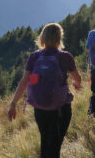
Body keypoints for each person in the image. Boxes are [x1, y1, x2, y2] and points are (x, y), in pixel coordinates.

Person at [7, 23, 82, 158]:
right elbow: (77, 78)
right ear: (59, 38)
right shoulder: (65, 56)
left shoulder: (34, 56)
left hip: (40, 108)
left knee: (45, 141)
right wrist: (76, 84)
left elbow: (24, 82)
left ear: (42, 37)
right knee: (55, 145)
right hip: (61, 108)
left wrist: (13, 104)